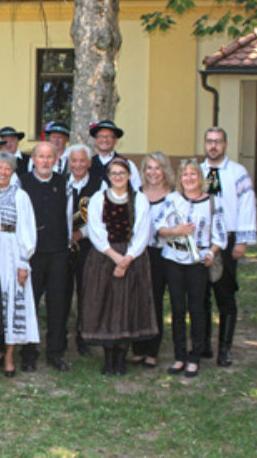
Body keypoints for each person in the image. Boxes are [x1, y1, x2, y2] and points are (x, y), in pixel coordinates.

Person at [82, 157, 157, 376]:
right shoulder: (99, 198)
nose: (117, 177)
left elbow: (143, 231)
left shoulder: (139, 200)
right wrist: (115, 257)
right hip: (105, 256)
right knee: (106, 305)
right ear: (108, 176)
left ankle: (121, 358)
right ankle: (108, 358)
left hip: (133, 258)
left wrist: (127, 259)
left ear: (129, 176)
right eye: (113, 173)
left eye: (121, 173)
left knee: (127, 306)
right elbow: (95, 230)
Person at [156, 159, 226, 378]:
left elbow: (219, 235)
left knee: (197, 309)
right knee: (177, 310)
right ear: (180, 178)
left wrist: (211, 253)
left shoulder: (213, 202)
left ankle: (195, 356)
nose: (189, 178)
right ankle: (179, 356)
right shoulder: (171, 199)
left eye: (193, 174)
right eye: (185, 175)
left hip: (198, 262)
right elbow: (159, 228)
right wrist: (177, 229)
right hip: (174, 260)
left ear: (200, 177)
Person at [200, 126, 257, 367]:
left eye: (218, 141)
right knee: (200, 295)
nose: (213, 146)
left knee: (225, 295)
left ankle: (225, 348)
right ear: (205, 144)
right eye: (210, 141)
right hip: (202, 240)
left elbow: (247, 205)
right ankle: (203, 344)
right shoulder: (196, 171)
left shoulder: (237, 172)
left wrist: (242, 240)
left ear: (225, 144)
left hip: (228, 239)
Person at [19, 141, 72, 371]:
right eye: (41, 156)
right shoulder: (21, 183)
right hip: (32, 254)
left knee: (58, 304)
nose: (45, 161)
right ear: (33, 159)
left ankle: (55, 352)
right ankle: (28, 353)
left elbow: (71, 217)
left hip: (59, 251)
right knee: (29, 303)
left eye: (50, 157)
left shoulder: (64, 183)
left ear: (56, 160)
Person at [0, 152, 38, 378]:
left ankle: (9, 355)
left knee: (11, 300)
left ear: (13, 171)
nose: (2, 172)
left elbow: (27, 229)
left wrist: (23, 261)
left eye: (7, 168)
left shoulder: (20, 196)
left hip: (11, 250)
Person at [130, 151, 174, 368]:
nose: (153, 172)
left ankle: (152, 351)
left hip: (163, 255)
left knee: (155, 300)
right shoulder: (136, 194)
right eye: (149, 168)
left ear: (165, 170)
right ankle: (138, 348)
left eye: (157, 168)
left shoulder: (174, 196)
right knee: (137, 300)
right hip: (139, 253)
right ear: (143, 171)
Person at [67, 144, 106, 356]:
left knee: (86, 292)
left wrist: (81, 234)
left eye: (83, 160)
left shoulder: (100, 185)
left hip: (88, 246)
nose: (78, 165)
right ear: (69, 162)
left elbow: (101, 219)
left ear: (89, 163)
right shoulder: (63, 183)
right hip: (63, 247)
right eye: (74, 160)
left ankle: (83, 335)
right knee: (62, 292)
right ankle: (60, 336)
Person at [88, 120, 142, 188]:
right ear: (95, 140)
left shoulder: (127, 164)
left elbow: (136, 189)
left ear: (116, 140)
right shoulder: (87, 165)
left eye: (109, 136)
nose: (104, 140)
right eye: (101, 136)